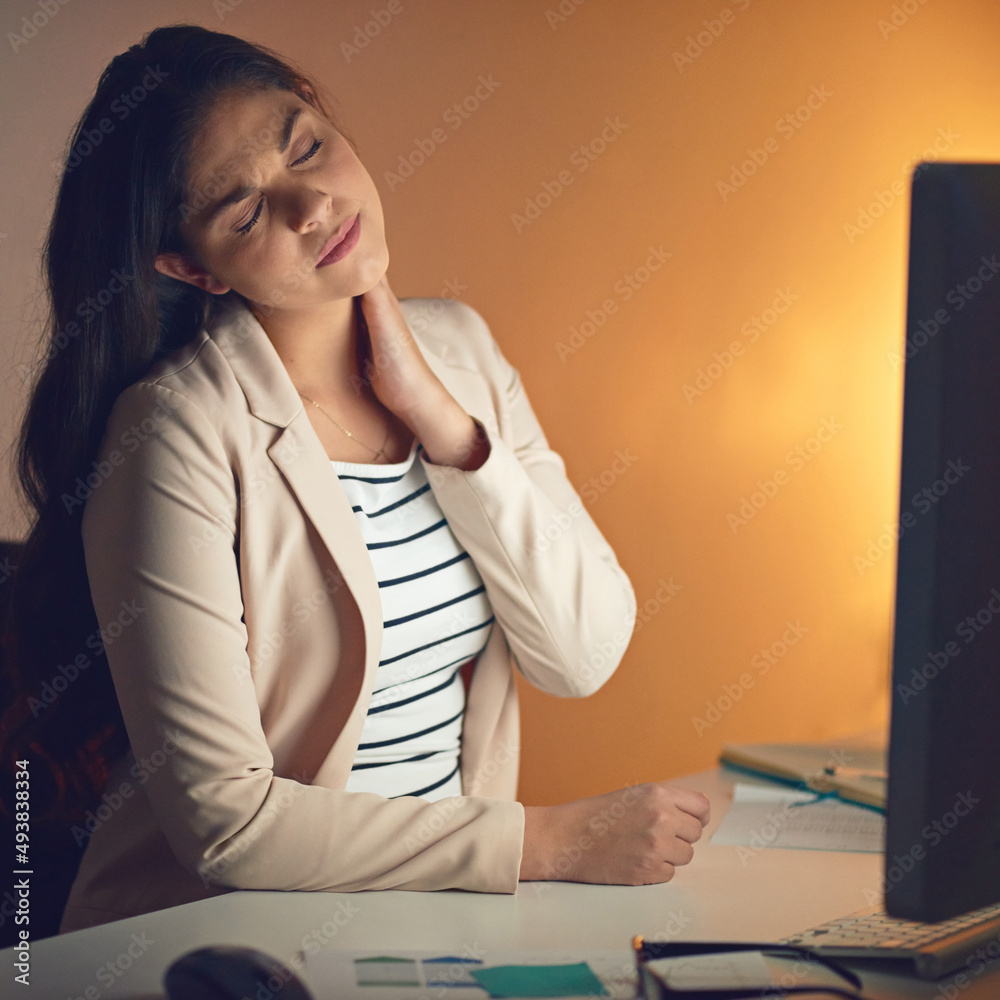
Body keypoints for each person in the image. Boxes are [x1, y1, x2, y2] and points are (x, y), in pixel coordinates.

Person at [0, 24, 709, 934]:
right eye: (246, 212)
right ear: (188, 266)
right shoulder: (172, 435)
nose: (312, 208)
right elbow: (229, 823)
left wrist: (447, 427)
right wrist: (542, 844)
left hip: (424, 934)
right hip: (215, 943)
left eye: (307, 147)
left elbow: (582, 653)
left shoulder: (459, 346)